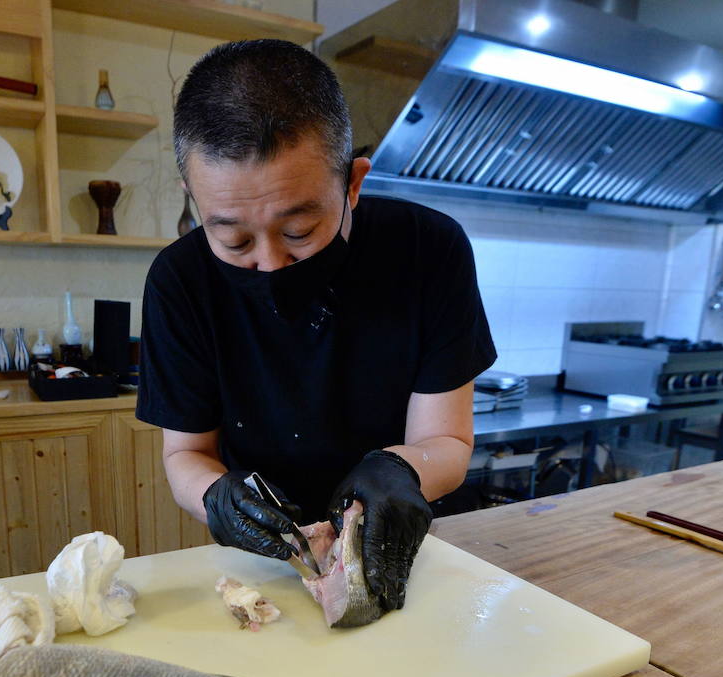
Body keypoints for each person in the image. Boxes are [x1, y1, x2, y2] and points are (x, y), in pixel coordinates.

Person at [136, 39, 495, 613]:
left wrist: (402, 470)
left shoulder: (429, 250)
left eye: (299, 231)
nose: (271, 263)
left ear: (353, 183)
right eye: (232, 238)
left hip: (403, 540)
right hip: (258, 566)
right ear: (196, 199)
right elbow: (186, 454)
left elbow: (447, 441)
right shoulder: (180, 280)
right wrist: (217, 497)